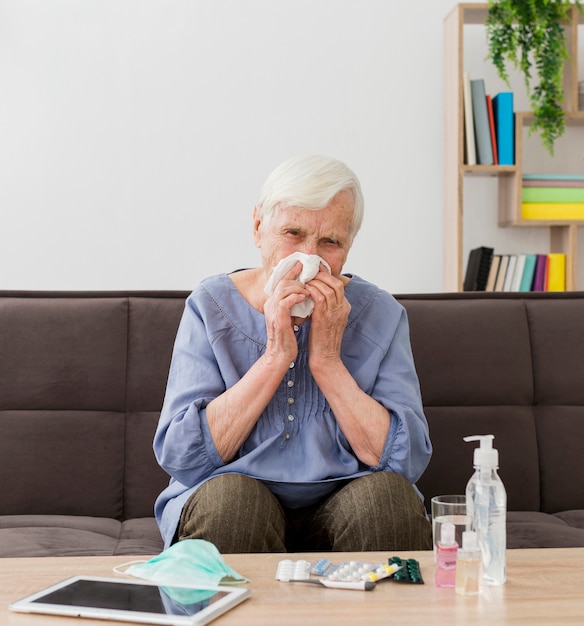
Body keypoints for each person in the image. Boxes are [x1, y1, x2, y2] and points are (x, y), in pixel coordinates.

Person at [153, 154, 433, 553]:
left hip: (347, 499)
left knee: (386, 502)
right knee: (234, 507)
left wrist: (327, 362)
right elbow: (182, 457)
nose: (308, 259)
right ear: (258, 228)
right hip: (232, 495)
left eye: (330, 242)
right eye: (293, 233)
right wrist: (274, 356)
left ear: (348, 247)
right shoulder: (209, 306)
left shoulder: (381, 314)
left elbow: (403, 463)